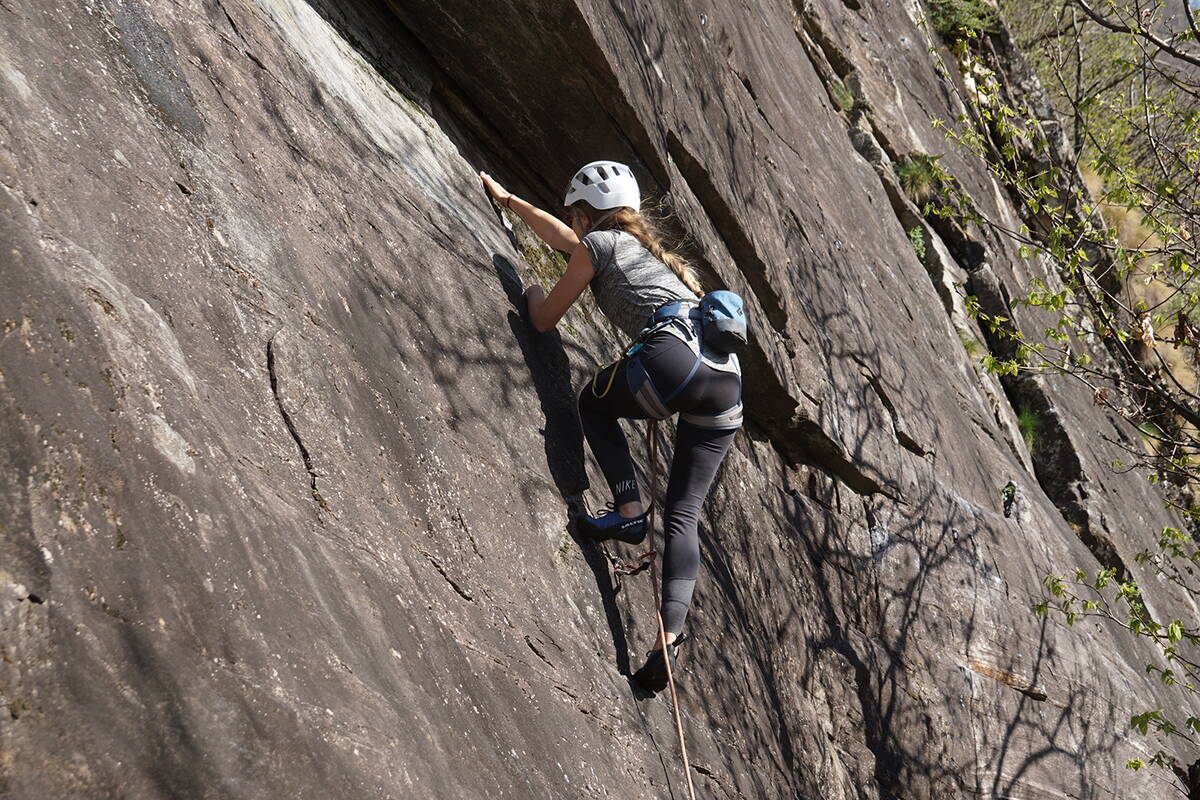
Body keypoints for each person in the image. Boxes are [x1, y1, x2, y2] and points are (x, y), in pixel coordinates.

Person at [480, 160, 743, 694]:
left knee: (593, 405)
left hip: (674, 358)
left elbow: (544, 318)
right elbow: (570, 241)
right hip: (726, 382)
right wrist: (510, 201)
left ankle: (627, 511)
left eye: (573, 218)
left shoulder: (599, 248)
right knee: (684, 514)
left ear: (585, 216)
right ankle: (669, 638)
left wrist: (531, 291)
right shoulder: (654, 258)